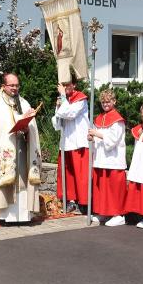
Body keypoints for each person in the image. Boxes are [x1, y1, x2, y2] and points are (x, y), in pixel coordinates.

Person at [0, 73, 42, 223]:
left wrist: (27, 129)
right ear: (3, 86)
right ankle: (5, 216)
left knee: (22, 180)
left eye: (17, 85)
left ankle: (22, 216)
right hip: (6, 148)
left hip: (21, 148)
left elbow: (31, 127)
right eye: (11, 85)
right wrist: (18, 121)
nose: (14, 88)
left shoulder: (23, 103)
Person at [88, 90, 127, 226]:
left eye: (108, 101)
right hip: (100, 158)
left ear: (114, 102)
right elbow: (95, 136)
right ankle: (103, 212)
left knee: (113, 189)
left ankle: (118, 214)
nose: (105, 104)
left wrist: (97, 134)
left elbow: (112, 141)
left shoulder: (117, 120)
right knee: (102, 188)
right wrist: (91, 137)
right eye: (103, 102)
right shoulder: (98, 118)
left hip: (113, 159)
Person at [52, 78, 90, 215]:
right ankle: (70, 201)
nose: (65, 87)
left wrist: (62, 98)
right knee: (68, 175)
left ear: (74, 85)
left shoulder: (81, 99)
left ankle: (83, 203)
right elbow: (57, 123)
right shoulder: (63, 99)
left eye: (67, 84)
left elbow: (70, 114)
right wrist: (58, 106)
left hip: (78, 142)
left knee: (81, 175)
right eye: (63, 84)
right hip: (66, 142)